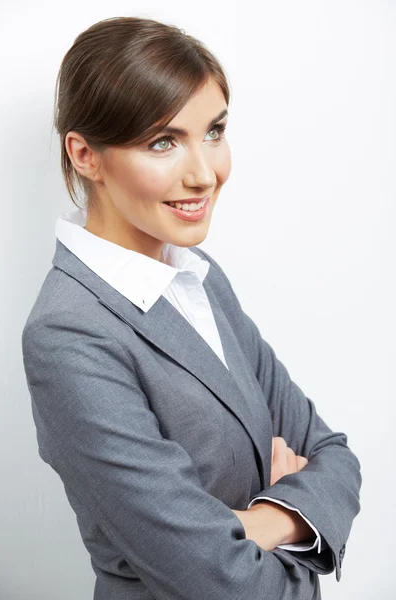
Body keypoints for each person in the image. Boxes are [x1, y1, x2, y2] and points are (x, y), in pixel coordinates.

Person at [21, 16, 362, 600]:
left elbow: (335, 455)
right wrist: (297, 516)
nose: (205, 174)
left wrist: (263, 523)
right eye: (162, 141)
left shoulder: (199, 279)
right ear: (85, 155)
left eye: (213, 130)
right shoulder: (68, 334)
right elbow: (217, 581)